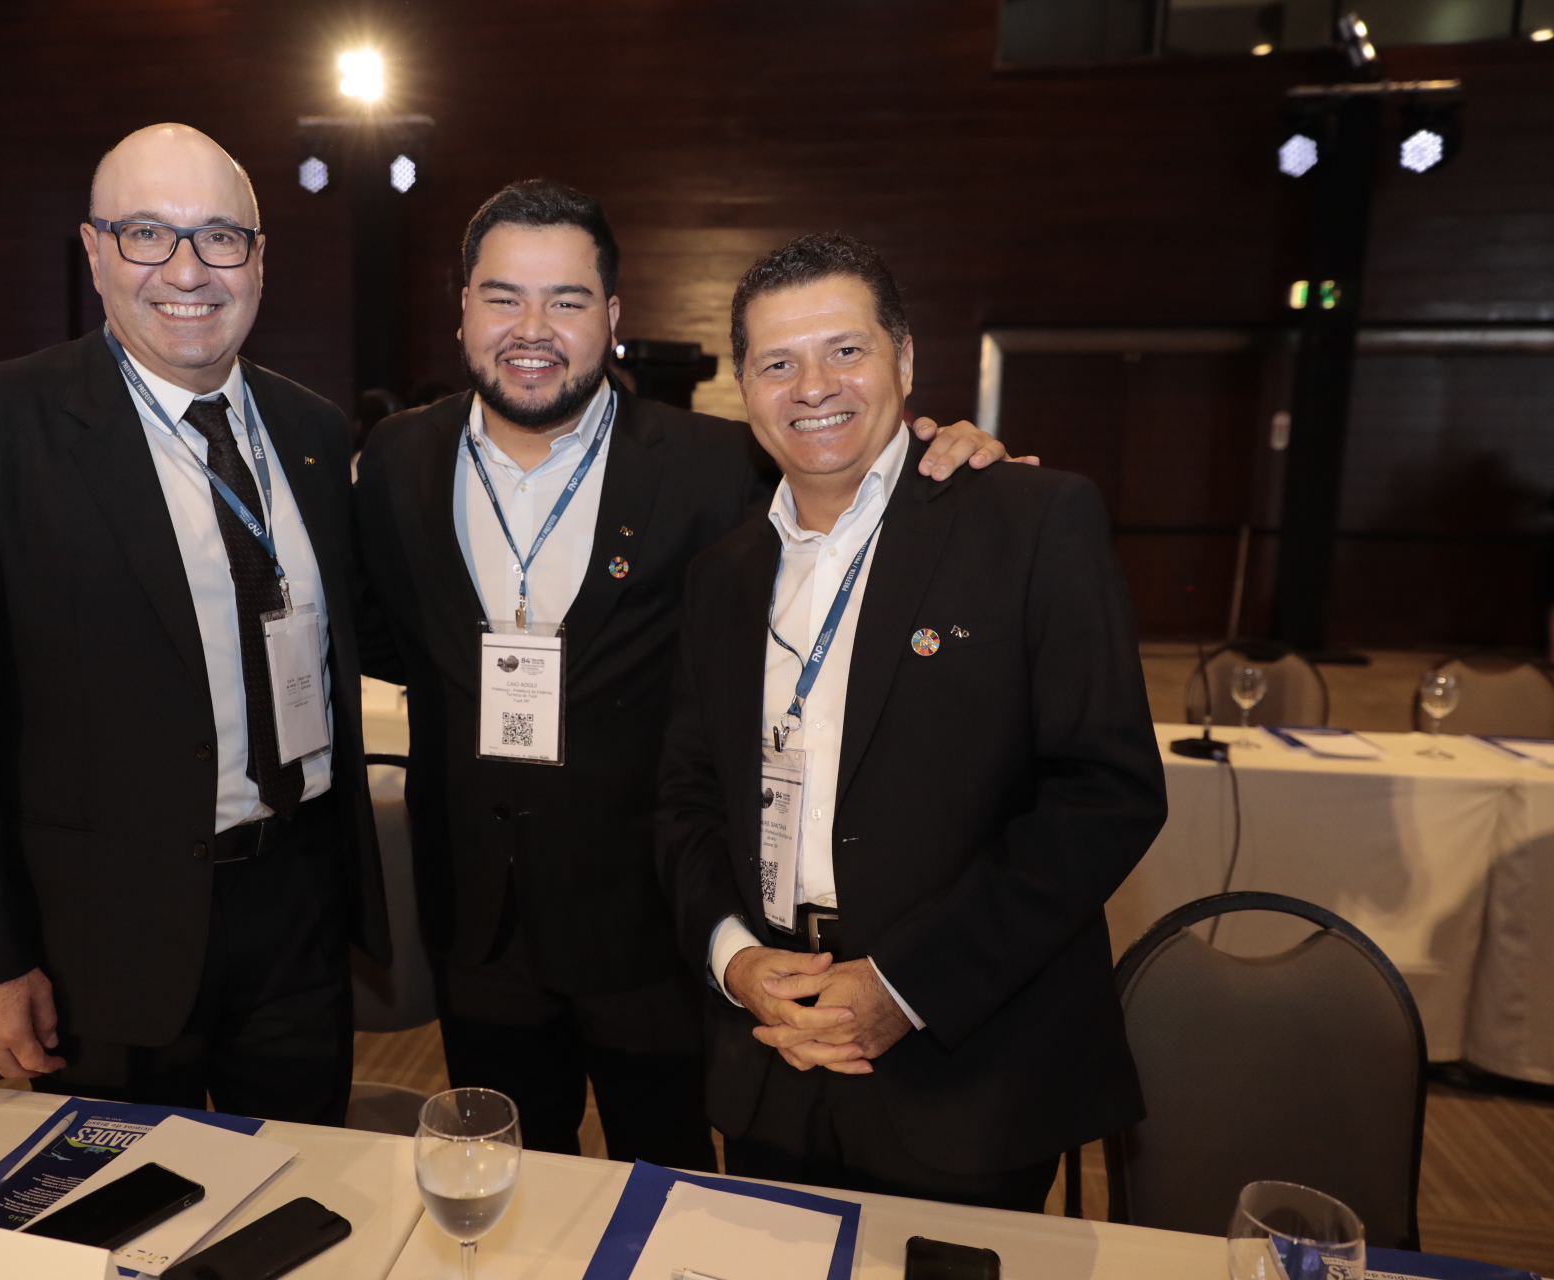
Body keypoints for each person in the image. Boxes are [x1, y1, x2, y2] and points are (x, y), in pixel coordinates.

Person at [355, 182, 1017, 1167]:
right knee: (505, 1179)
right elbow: (385, 640)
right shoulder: (397, 457)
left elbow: (851, 498)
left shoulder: (719, 466)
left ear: (613, 316)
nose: (533, 329)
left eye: (567, 299)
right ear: (462, 311)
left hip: (656, 927)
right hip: (478, 923)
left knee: (669, 1186)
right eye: (503, 297)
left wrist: (949, 455)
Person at [0, 124, 388, 1123]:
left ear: (259, 259)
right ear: (95, 249)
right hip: (98, 940)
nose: (188, 271)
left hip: (298, 911)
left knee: (299, 1187)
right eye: (148, 233)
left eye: (220, 237)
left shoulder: (314, 432)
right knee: (111, 1200)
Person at [657, 233, 1166, 1207]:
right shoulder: (721, 576)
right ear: (745, 388)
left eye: (845, 350)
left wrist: (903, 984)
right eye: (778, 363)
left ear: (905, 359)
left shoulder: (1030, 520)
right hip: (772, 1047)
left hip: (969, 1064)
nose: (814, 386)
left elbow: (1106, 795)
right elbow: (684, 798)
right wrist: (736, 959)